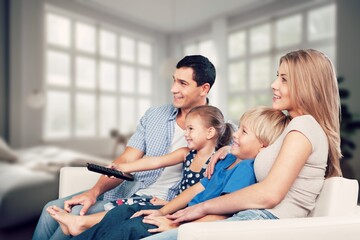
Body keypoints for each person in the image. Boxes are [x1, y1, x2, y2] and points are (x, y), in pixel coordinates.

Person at [144, 48, 342, 240]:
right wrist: (228, 148)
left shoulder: (303, 126)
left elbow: (270, 194)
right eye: (277, 76)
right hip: (254, 218)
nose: (274, 84)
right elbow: (260, 147)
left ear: (307, 85)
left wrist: (198, 209)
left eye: (284, 79)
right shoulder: (291, 128)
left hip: (265, 220)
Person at [32, 55, 216, 240]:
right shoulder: (154, 115)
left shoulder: (219, 132)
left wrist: (225, 150)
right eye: (174, 81)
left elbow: (226, 177)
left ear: (204, 89)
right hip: (127, 190)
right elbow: (127, 160)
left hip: (158, 202)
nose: (173, 89)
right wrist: (93, 192)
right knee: (50, 211)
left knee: (74, 216)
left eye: (183, 83)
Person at [48, 106, 290, 240]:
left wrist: (174, 223)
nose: (236, 134)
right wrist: (164, 210)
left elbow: (224, 213)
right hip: (180, 210)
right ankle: (80, 230)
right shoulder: (226, 160)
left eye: (244, 132)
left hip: (188, 219)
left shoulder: (246, 170)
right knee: (122, 212)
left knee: (128, 228)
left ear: (264, 145)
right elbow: (197, 189)